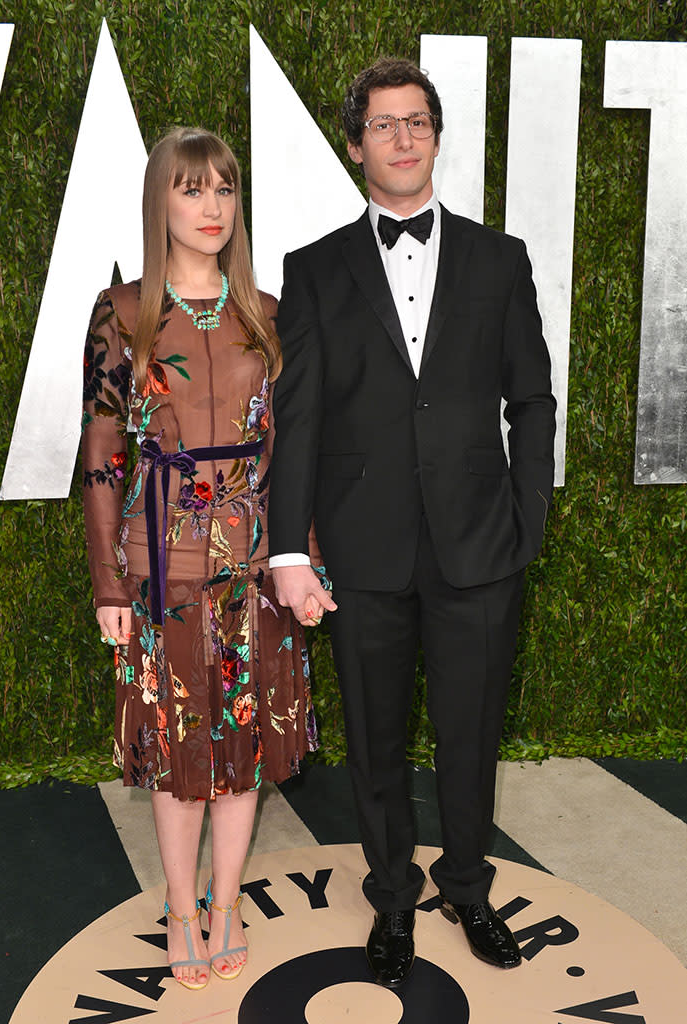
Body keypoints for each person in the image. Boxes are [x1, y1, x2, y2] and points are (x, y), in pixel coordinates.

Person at [268, 58, 556, 986]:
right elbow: (299, 417)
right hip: (362, 547)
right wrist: (285, 548)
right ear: (356, 146)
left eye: (417, 121)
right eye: (383, 125)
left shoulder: (498, 258)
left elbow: (533, 400)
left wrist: (528, 519)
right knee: (376, 734)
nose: (402, 137)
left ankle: (467, 887)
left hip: (481, 543)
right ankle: (392, 898)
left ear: (435, 135)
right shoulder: (312, 270)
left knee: (473, 734)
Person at [82, 127, 317, 991]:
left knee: (244, 747)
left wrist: (306, 560)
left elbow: (295, 450)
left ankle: (227, 902)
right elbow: (105, 449)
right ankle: (180, 907)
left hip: (255, 565)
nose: (210, 206)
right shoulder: (124, 311)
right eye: (191, 189)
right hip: (161, 566)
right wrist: (109, 580)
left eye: (223, 189)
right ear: (161, 202)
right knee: (181, 750)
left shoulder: (270, 311)